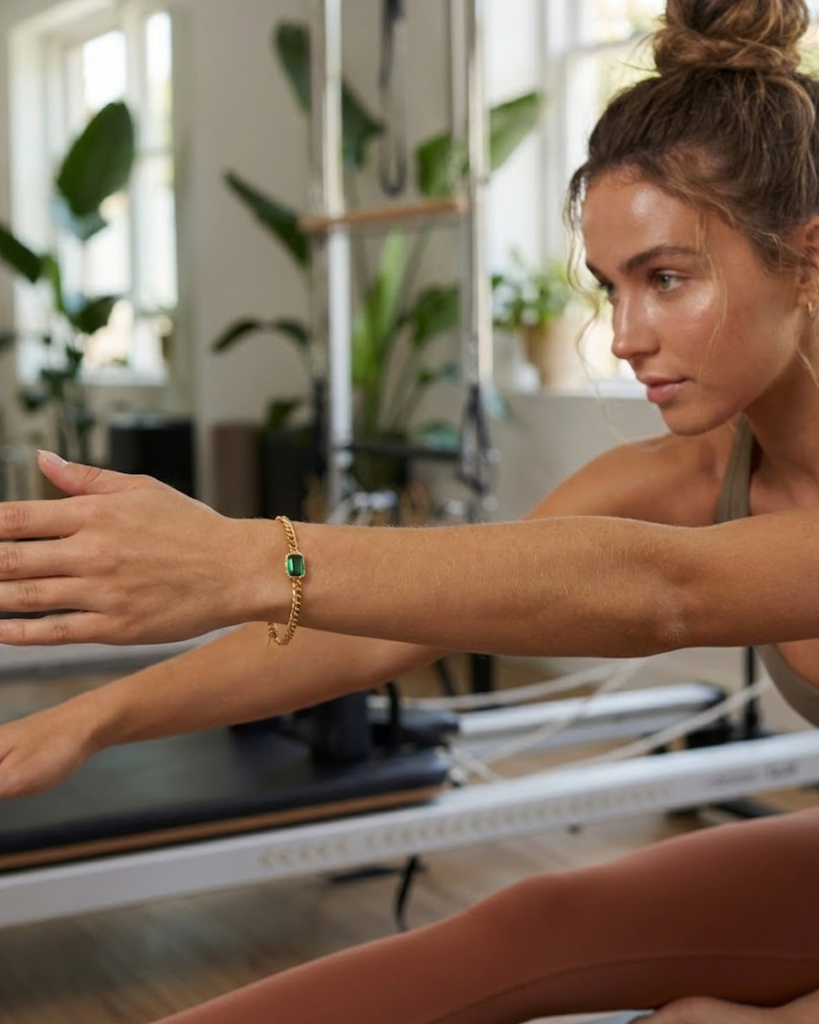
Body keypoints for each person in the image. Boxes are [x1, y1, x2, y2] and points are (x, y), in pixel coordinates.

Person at [3, 0, 819, 1020]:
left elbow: (665, 592)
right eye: (612, 287)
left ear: (808, 257)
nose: (624, 336)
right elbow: (406, 619)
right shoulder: (697, 470)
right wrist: (88, 718)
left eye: (667, 280)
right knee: (527, 924)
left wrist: (250, 556)